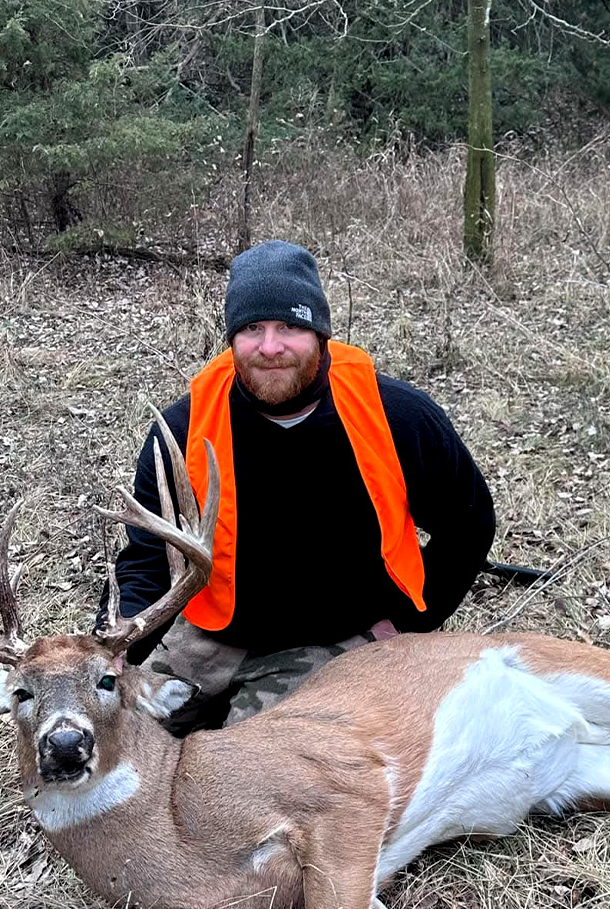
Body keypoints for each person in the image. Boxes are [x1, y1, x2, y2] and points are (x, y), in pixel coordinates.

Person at [112, 239, 495, 729]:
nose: (270, 347)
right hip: (212, 630)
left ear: (320, 333)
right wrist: (125, 645)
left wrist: (408, 623)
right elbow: (147, 555)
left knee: (258, 772)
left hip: (329, 636)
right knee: (114, 739)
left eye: (289, 326)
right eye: (252, 328)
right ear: (232, 339)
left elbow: (469, 524)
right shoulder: (184, 429)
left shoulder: (398, 416)